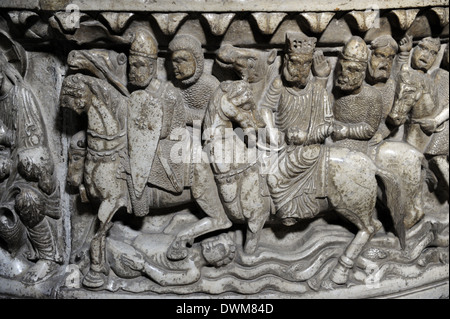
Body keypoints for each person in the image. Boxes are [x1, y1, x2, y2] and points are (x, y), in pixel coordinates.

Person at [0, 45, 61, 284]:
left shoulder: (20, 96)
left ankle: (48, 257)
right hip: (4, 174)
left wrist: (5, 141)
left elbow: (33, 150)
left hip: (29, 176)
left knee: (27, 201)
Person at [260, 32, 333, 225]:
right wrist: (272, 132)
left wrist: (306, 137)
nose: (298, 70)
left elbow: (328, 125)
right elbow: (266, 108)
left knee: (276, 176)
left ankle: (289, 211)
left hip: (308, 148)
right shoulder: (279, 84)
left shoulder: (317, 90)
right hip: (279, 145)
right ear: (285, 61)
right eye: (294, 63)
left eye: (305, 64)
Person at [168, 34, 220, 125]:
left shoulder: (210, 84)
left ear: (197, 60)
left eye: (180, 61)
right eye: (173, 61)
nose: (174, 66)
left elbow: (218, 116)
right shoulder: (173, 85)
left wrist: (185, 115)